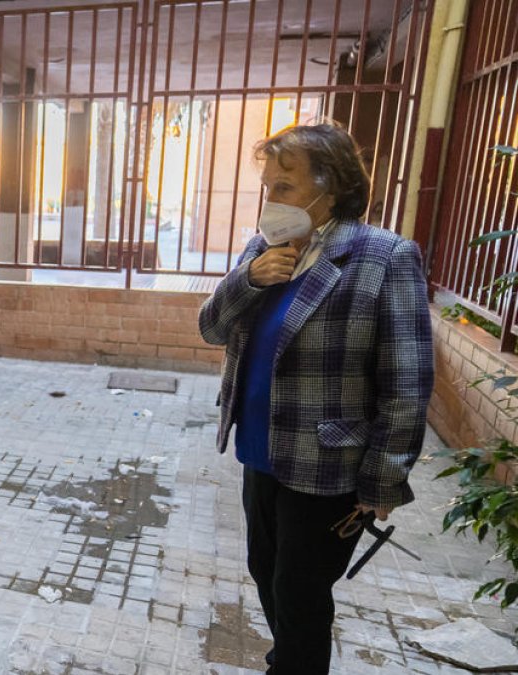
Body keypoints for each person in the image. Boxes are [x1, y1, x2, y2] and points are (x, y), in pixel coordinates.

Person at [198, 122, 434, 674]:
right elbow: (211, 328)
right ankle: (288, 659)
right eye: (268, 186)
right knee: (266, 572)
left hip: (326, 465)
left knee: (301, 596)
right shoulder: (265, 249)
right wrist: (249, 280)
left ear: (331, 189)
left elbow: (407, 380)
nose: (270, 200)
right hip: (259, 452)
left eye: (285, 186)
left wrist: (384, 479)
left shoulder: (384, 259)